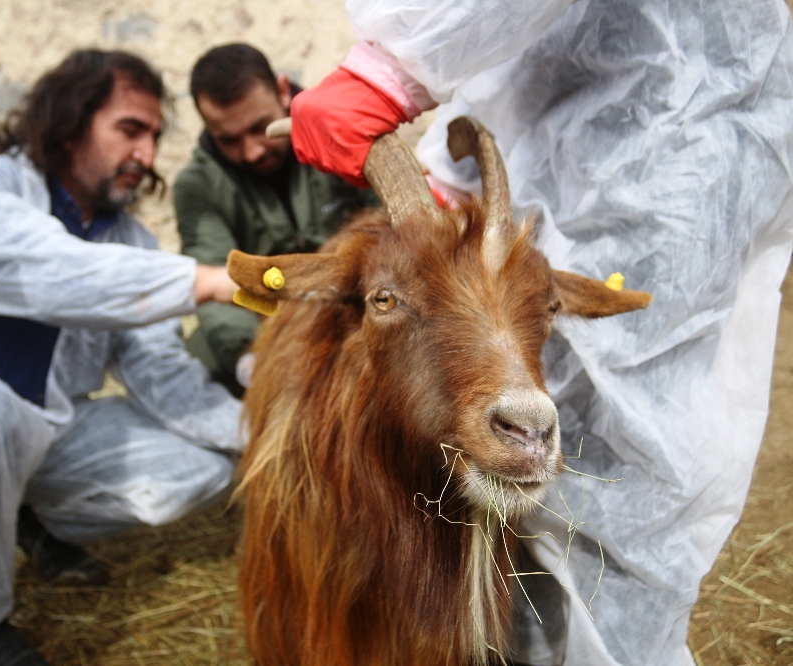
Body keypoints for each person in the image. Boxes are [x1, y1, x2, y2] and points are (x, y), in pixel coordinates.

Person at [282, 2, 793, 665]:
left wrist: (393, 66)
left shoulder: (684, 108)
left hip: (676, 150)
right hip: (562, 134)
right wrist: (443, 171)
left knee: (607, 481)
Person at [0, 50, 242, 666]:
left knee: (205, 468)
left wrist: (267, 434)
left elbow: (162, 372)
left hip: (44, 435)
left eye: (154, 137)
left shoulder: (130, 240)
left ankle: (26, 521)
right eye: (129, 130)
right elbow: (54, 272)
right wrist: (212, 280)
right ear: (68, 123)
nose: (145, 155)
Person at [174, 43, 377, 396]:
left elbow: (395, 229)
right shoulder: (197, 186)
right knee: (193, 368)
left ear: (283, 91)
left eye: (261, 127)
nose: (252, 151)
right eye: (229, 140)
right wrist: (250, 360)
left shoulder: (342, 132)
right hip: (265, 326)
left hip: (362, 307)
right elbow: (215, 277)